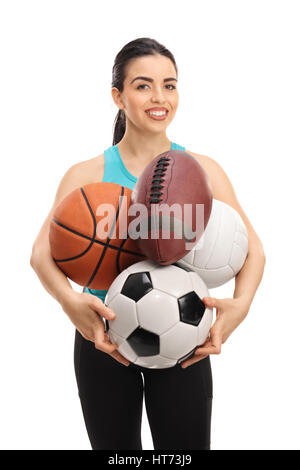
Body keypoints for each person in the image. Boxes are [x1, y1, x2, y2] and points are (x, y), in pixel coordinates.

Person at [30, 37, 266, 450]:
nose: (159, 97)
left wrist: (240, 306)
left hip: (184, 335)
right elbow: (40, 255)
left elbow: (253, 250)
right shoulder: (87, 175)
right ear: (117, 96)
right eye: (143, 85)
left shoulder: (202, 171)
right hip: (102, 337)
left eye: (169, 85)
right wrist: (70, 304)